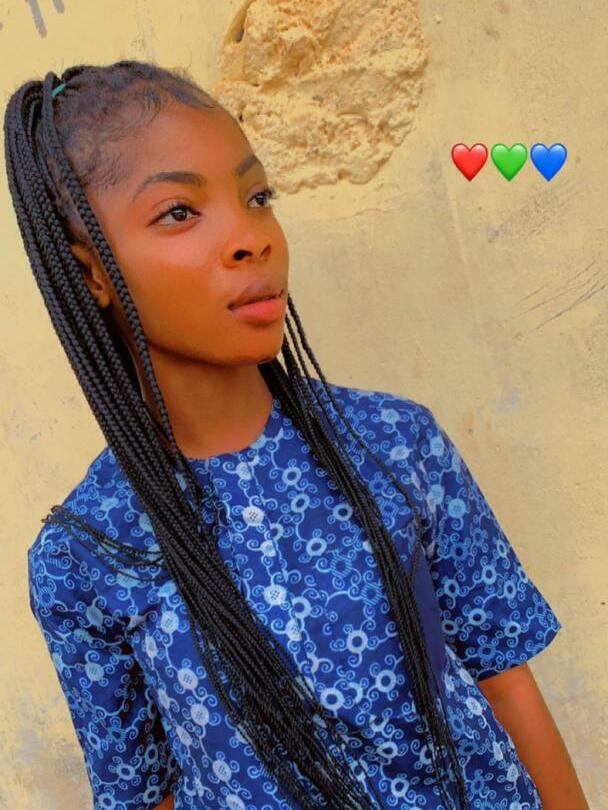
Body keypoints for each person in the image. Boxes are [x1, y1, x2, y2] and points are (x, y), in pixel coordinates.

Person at [4, 60, 588, 810]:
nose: (250, 239)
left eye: (257, 198)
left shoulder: (394, 443)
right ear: (91, 273)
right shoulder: (86, 553)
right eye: (179, 211)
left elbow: (506, 679)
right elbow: (144, 794)